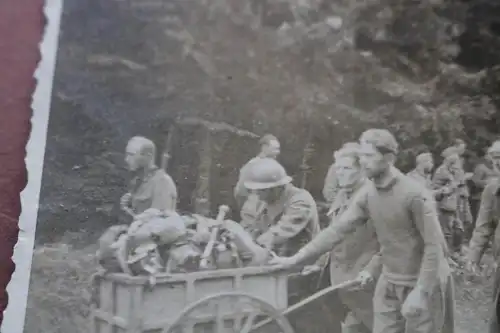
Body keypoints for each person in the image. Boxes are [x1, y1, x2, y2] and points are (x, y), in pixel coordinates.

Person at [270, 129, 454, 333]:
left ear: (389, 157)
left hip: (423, 280)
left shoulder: (415, 194)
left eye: (369, 156)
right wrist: (295, 259)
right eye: (362, 156)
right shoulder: (368, 194)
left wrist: (421, 291)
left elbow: (435, 246)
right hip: (390, 281)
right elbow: (337, 231)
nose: (364, 161)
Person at [319, 143, 381, 333]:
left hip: (369, 281)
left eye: (346, 168)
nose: (340, 173)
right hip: (345, 280)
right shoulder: (342, 195)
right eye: (337, 168)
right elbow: (334, 234)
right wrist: (319, 261)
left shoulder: (375, 197)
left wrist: (371, 269)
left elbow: (392, 242)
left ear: (362, 169)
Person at [241, 157, 321, 257]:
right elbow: (249, 224)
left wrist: (256, 245)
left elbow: (283, 230)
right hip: (271, 258)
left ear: (276, 188)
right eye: (254, 190)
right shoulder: (260, 200)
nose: (256, 194)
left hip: (301, 261)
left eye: (261, 190)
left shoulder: (300, 200)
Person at [466, 142, 500, 333]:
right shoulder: (491, 190)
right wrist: (473, 256)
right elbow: (483, 226)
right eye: (496, 160)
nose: (499, 164)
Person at [120, 136, 178, 217]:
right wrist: (127, 208)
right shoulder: (137, 181)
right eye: (127, 155)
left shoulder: (162, 181)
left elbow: (160, 221)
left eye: (131, 155)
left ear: (148, 156)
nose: (126, 159)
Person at [234, 134, 281, 208]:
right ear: (264, 148)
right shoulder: (253, 164)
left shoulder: (273, 165)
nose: (278, 152)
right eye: (275, 149)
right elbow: (240, 190)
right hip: (254, 207)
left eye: (278, 149)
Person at [433, 147, 463, 256]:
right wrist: (454, 184)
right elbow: (439, 189)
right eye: (456, 162)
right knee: (447, 232)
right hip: (444, 205)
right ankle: (446, 255)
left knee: (457, 229)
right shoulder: (442, 171)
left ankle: (455, 252)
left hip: (452, 205)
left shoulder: (450, 171)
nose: (458, 165)